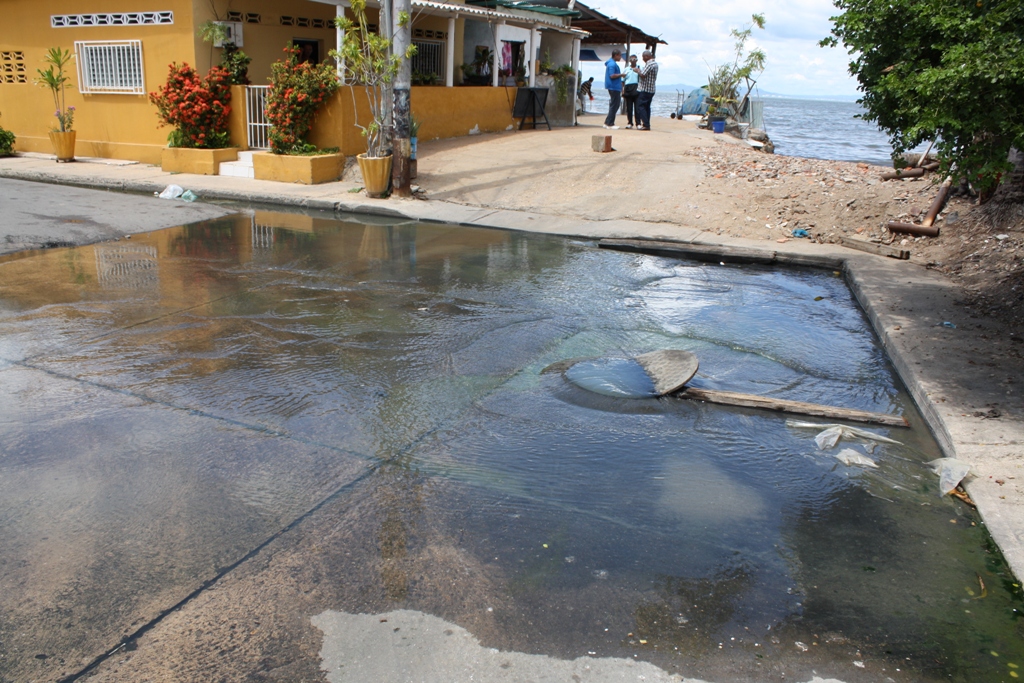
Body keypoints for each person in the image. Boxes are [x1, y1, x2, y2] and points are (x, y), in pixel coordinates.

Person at [636, 50, 659, 131]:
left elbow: (643, 75)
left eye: (643, 57)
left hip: (645, 89)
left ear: (647, 56)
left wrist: (638, 71)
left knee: (641, 106)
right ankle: (647, 123)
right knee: (647, 107)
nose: (642, 59)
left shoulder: (649, 64)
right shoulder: (655, 64)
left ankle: (646, 124)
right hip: (651, 89)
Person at [603, 49, 623, 129]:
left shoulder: (612, 63)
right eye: (620, 55)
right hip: (613, 87)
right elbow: (612, 75)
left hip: (615, 86)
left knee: (614, 104)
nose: (620, 57)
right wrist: (621, 75)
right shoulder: (612, 64)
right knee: (615, 105)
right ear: (616, 55)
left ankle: (607, 122)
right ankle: (610, 123)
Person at [621, 55, 640, 129]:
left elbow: (642, 77)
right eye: (631, 59)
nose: (633, 60)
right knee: (629, 108)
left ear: (636, 60)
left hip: (636, 88)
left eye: (634, 59)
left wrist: (638, 71)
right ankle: (630, 123)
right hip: (628, 88)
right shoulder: (626, 69)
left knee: (637, 107)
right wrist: (622, 90)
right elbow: (622, 80)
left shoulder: (639, 68)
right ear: (629, 60)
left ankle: (638, 123)